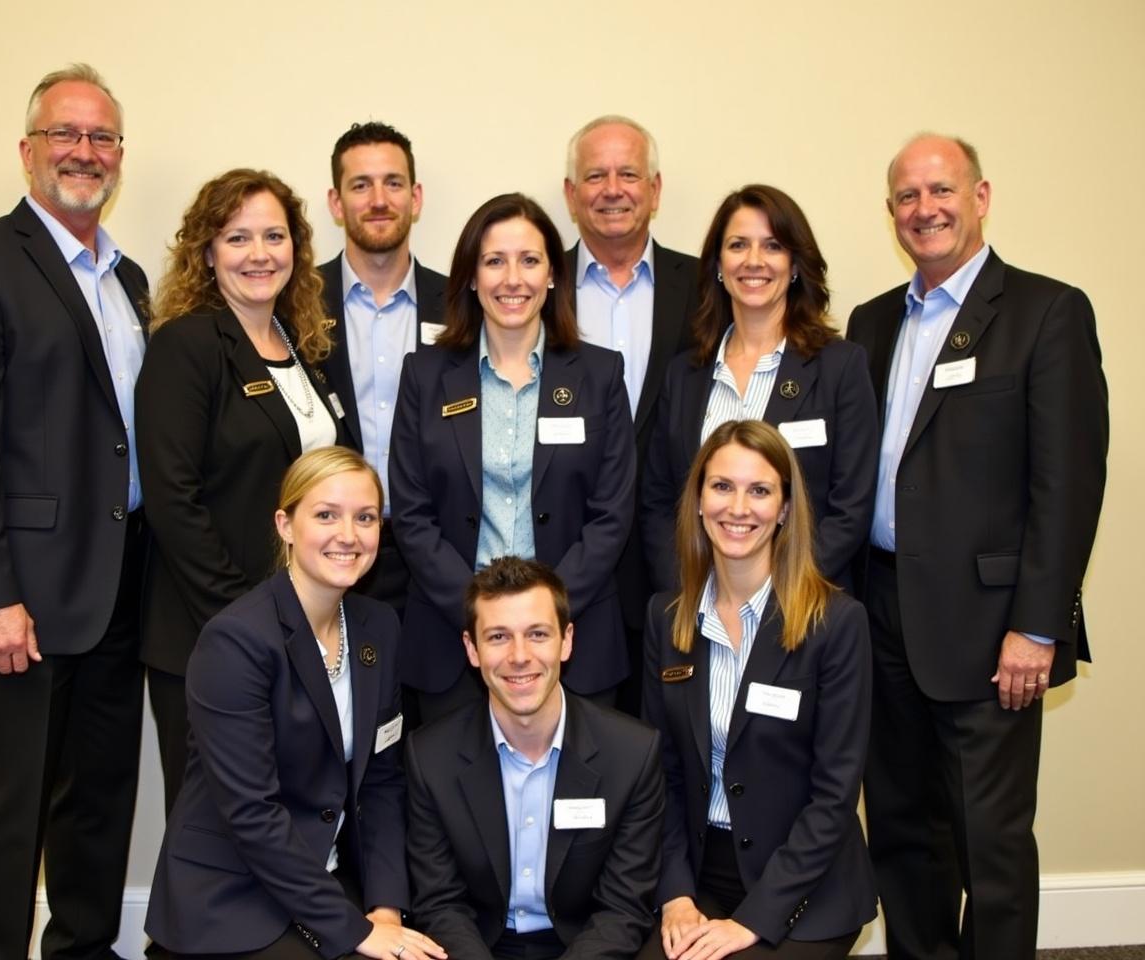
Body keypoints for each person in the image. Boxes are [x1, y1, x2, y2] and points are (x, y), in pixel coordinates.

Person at [846, 133, 1109, 960]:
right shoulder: (872, 321)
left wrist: (1038, 625)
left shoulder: (1045, 311)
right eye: (907, 197)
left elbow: (1067, 487)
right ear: (890, 213)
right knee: (899, 830)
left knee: (990, 844)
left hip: (991, 626)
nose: (925, 209)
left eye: (941, 190)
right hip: (882, 612)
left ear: (981, 196)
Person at [0, 63, 147, 959]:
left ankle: (83, 950)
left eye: (102, 138)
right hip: (26, 598)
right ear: (28, 150)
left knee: (98, 797)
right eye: (66, 134)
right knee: (13, 804)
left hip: (121, 586)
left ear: (120, 156)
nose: (84, 153)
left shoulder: (127, 282)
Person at [145, 446, 445, 960]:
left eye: (366, 517)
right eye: (326, 514)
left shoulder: (378, 628)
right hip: (234, 894)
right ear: (285, 525)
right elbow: (251, 814)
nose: (348, 535)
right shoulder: (237, 641)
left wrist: (386, 907)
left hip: (328, 877)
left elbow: (381, 781)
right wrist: (355, 932)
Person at [137, 168, 349, 811]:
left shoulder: (303, 346)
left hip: (298, 627)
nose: (259, 254)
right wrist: (246, 619)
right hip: (212, 630)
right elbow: (173, 498)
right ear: (206, 251)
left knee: (284, 815)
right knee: (216, 823)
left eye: (274, 236)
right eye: (237, 238)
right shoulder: (188, 344)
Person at [389, 192, 636, 722]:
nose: (512, 279)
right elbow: (411, 514)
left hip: (577, 639)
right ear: (471, 277)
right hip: (453, 642)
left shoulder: (599, 376)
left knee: (576, 802)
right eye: (494, 261)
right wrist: (483, 619)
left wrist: (544, 616)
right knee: (456, 800)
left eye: (529, 260)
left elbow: (612, 515)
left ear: (552, 274)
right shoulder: (425, 375)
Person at [642, 420, 876, 960]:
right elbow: (661, 777)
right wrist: (675, 895)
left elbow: (835, 794)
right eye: (721, 486)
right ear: (698, 499)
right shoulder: (667, 619)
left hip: (804, 886)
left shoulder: (836, 624)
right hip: (700, 874)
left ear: (786, 508)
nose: (738, 508)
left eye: (760, 490)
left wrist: (754, 919)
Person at [406, 556, 665, 960]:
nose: (520, 656)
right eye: (498, 637)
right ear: (471, 649)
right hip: (478, 947)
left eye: (538, 634)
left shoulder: (632, 754)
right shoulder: (430, 757)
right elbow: (440, 905)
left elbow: (621, 909)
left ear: (567, 640)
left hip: (585, 946)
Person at [641, 185, 878, 595]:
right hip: (698, 605)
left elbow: (850, 508)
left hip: (802, 607)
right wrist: (691, 589)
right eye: (738, 245)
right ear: (718, 264)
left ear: (796, 264)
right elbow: (659, 501)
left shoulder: (841, 366)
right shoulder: (685, 373)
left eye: (772, 246)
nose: (754, 261)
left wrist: (767, 591)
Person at [563, 115, 699, 710]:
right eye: (595, 175)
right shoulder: (534, 288)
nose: (612, 189)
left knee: (664, 748)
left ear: (656, 189)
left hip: (678, 560)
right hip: (571, 558)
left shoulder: (705, 286)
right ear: (571, 195)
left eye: (628, 174)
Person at [319, 121, 448, 618]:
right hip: (331, 553)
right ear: (336, 203)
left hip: (434, 553)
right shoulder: (296, 304)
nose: (379, 199)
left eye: (393, 183)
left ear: (415, 197)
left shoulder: (461, 303)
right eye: (360, 185)